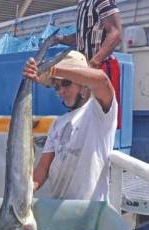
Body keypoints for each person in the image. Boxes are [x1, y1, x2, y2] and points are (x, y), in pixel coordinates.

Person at [24, 50, 117, 201]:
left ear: (83, 84)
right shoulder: (58, 123)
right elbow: (43, 168)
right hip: (60, 212)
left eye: (66, 83)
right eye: (57, 86)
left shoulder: (98, 111)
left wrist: (53, 70)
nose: (61, 91)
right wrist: (28, 190)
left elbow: (102, 81)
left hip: (89, 214)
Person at [55, 0, 122, 126]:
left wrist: (94, 62)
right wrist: (60, 39)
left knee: (100, 120)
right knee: (83, 118)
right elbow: (82, 35)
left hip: (99, 68)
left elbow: (116, 33)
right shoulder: (82, 4)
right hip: (86, 70)